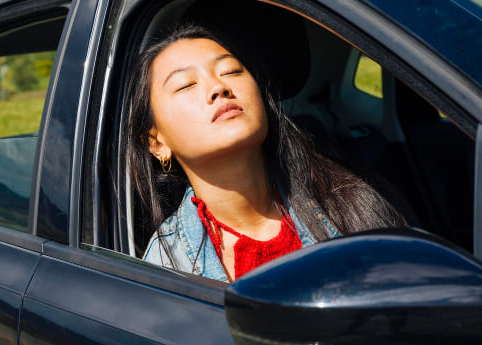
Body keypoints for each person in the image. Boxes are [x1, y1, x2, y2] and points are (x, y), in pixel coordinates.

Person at [123, 22, 405, 282]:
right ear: (156, 142)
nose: (219, 88)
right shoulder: (167, 266)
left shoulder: (352, 199)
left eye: (231, 71)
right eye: (186, 85)